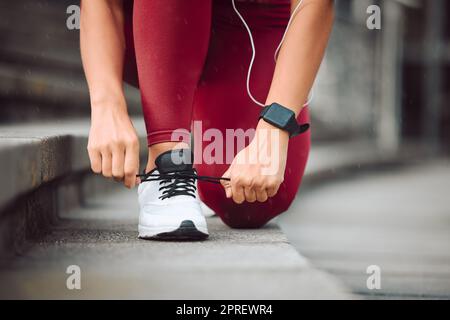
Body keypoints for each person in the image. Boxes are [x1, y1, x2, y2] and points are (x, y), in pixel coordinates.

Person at [80, 0, 334, 240]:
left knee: (247, 203)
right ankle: (168, 165)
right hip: (156, 15)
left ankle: (193, 96)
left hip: (254, 18)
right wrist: (107, 105)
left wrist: (274, 127)